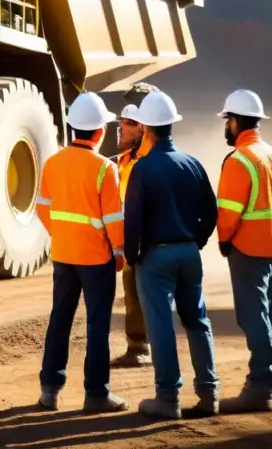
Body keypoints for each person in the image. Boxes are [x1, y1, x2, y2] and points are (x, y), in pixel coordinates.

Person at [123, 91, 220, 420]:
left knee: (161, 324)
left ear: (146, 129)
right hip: (189, 253)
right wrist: (197, 242)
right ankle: (209, 393)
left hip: (156, 257)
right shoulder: (193, 164)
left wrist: (134, 257)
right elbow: (211, 212)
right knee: (197, 320)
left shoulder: (143, 169)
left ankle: (168, 399)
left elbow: (133, 221)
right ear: (171, 127)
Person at [35, 91, 128, 413]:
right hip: (96, 258)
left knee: (59, 318)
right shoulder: (105, 168)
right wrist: (118, 250)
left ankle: (50, 391)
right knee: (97, 325)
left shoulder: (53, 162)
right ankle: (96, 394)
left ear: (73, 128)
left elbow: (43, 208)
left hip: (63, 254)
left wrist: (61, 235)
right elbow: (114, 217)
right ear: (100, 132)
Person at [215, 89, 272, 413]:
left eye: (226, 120)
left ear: (234, 121)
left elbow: (229, 211)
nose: (225, 127)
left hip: (248, 248)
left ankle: (259, 389)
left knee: (255, 317)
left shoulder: (239, 161)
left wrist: (223, 241)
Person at [113, 99, 154, 367]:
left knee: (148, 295)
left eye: (125, 125)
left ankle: (146, 349)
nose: (120, 130)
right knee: (132, 294)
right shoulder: (123, 161)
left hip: (149, 243)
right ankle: (137, 346)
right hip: (130, 242)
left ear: (141, 128)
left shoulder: (152, 162)